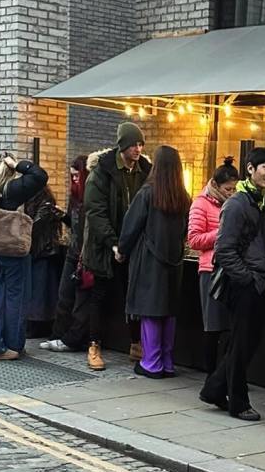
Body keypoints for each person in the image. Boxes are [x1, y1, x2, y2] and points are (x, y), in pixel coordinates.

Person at [200, 147, 265, 421]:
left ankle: (214, 389)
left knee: (244, 344)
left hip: (264, 286)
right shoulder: (236, 205)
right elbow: (224, 250)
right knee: (241, 344)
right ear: (250, 169)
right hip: (245, 287)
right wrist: (246, 279)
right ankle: (238, 402)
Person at [80, 123, 151, 370]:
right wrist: (113, 243)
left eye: (141, 144)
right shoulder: (102, 171)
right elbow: (95, 211)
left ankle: (135, 343)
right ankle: (94, 346)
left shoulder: (145, 170)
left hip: (133, 245)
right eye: (134, 144)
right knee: (99, 296)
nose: (138, 149)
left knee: (132, 297)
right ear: (123, 146)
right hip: (104, 246)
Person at [118, 144, 190, 378]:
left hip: (150, 260)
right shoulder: (184, 197)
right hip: (175, 262)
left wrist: (122, 249)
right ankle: (167, 362)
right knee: (169, 311)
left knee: (150, 310)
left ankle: (151, 362)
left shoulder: (147, 193)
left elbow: (130, 228)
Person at [0, 155, 48, 361]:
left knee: (0, 296)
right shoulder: (11, 189)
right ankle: (12, 344)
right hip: (12, 249)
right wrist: (18, 164)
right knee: (16, 298)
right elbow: (40, 176)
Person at [188, 157, 240, 372]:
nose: (231, 192)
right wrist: (221, 234)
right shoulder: (201, 203)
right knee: (213, 327)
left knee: (230, 327)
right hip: (210, 270)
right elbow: (194, 239)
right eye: (228, 189)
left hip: (232, 269)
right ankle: (211, 373)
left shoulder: (235, 203)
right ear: (216, 185)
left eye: (234, 189)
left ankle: (224, 373)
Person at [42, 154, 90, 353]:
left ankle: (72, 339)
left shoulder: (90, 197)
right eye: (72, 176)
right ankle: (58, 334)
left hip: (85, 255)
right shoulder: (75, 198)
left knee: (81, 300)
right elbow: (75, 225)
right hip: (73, 251)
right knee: (64, 296)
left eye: (77, 176)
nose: (75, 179)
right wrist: (63, 216)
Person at [24, 184, 65, 336]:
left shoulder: (43, 204)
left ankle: (37, 325)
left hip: (42, 251)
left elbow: (35, 227)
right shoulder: (45, 202)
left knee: (40, 291)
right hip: (43, 251)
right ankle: (39, 324)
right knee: (42, 291)